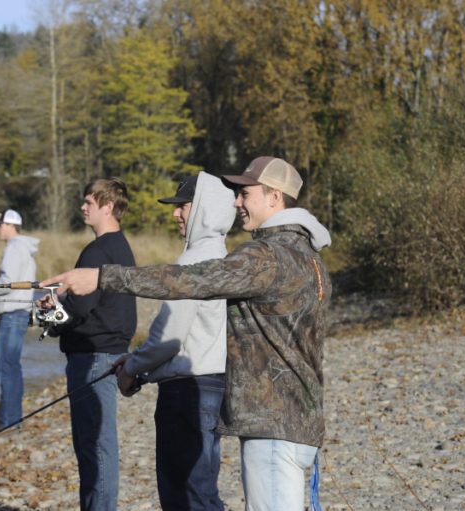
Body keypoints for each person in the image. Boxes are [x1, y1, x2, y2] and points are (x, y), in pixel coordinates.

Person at [41, 157, 332, 511]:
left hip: (273, 428)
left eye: (245, 193)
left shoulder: (266, 256)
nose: (237, 201)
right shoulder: (310, 259)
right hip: (301, 425)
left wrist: (102, 277)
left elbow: (191, 280)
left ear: (275, 197)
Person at [113, 172, 235, 510]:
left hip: (185, 394)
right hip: (214, 388)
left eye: (182, 206)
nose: (175, 214)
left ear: (204, 209)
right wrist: (139, 363)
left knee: (184, 496)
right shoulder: (227, 259)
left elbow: (169, 339)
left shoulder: (191, 262)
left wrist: (133, 368)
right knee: (202, 491)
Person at [39, 178, 136, 511]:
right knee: (99, 446)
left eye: (89, 202)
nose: (83, 206)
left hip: (93, 358)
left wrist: (49, 315)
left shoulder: (96, 251)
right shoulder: (121, 246)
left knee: (94, 447)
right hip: (109, 354)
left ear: (107, 206)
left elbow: (79, 310)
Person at [0, 209, 39, 429]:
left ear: (10, 225)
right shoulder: (22, 248)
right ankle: (10, 420)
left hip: (13, 315)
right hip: (18, 313)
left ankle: (9, 422)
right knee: (11, 367)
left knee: (6, 368)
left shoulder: (15, 247)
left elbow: (8, 282)